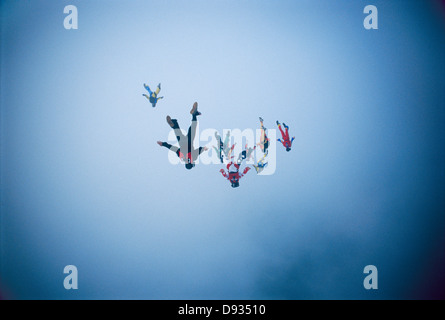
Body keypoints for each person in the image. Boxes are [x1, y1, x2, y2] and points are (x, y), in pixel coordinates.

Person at [157, 102, 207, 170]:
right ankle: (174, 124)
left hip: (189, 142)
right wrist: (163, 144)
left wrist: (204, 148)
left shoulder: (193, 157)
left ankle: (194, 114)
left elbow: (199, 150)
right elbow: (173, 148)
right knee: (177, 131)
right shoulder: (182, 157)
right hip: (181, 142)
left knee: (193, 127)